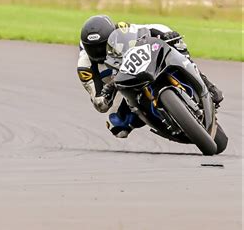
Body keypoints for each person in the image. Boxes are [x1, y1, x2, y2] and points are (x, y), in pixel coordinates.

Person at [76, 15, 223, 138]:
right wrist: (107, 93)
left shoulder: (121, 29)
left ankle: (207, 84)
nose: (98, 51)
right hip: (121, 85)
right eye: (92, 48)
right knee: (117, 127)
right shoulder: (85, 66)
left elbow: (148, 28)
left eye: (102, 46)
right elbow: (99, 104)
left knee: (177, 48)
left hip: (144, 64)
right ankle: (149, 118)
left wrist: (167, 35)